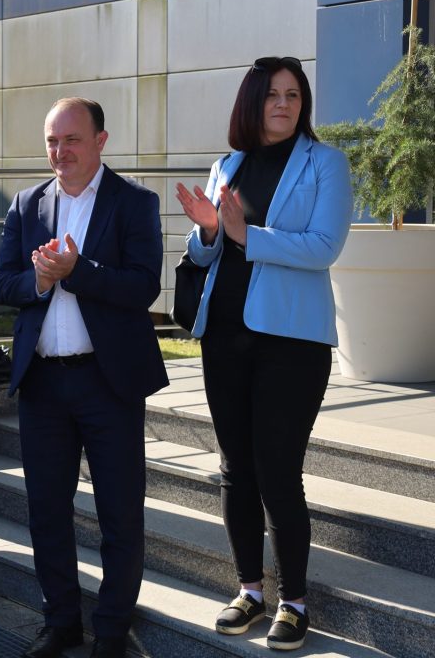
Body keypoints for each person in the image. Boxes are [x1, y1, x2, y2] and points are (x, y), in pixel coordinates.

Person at [176, 58, 353, 652]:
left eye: (294, 95)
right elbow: (205, 255)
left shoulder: (325, 162)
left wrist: (246, 235)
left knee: (277, 471)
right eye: (273, 94)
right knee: (235, 470)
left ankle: (294, 602)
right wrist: (205, 232)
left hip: (292, 344)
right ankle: (249, 590)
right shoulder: (227, 164)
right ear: (251, 102)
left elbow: (325, 246)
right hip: (224, 338)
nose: (284, 104)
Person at [0, 97, 166, 658]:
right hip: (43, 383)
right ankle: (60, 622)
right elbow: (0, 282)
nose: (59, 152)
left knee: (119, 512)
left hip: (107, 382)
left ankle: (112, 630)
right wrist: (40, 282)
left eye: (70, 140)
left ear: (100, 141)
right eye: (51, 141)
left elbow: (143, 287)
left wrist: (77, 271)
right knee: (46, 510)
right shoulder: (27, 203)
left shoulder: (135, 202)